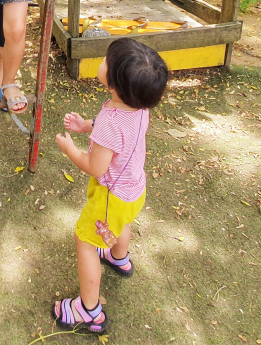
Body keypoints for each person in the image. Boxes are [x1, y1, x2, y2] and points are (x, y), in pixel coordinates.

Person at [53, 38, 169, 334]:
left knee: (86, 242)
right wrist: (87, 125)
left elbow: (95, 167)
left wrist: (71, 150)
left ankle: (88, 310)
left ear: (115, 84)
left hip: (110, 198)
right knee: (121, 223)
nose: (102, 61)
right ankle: (119, 258)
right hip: (134, 190)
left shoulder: (110, 121)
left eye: (107, 60)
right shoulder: (140, 108)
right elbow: (118, 133)